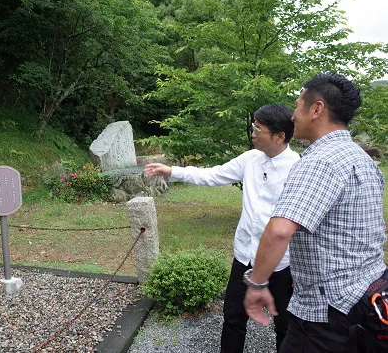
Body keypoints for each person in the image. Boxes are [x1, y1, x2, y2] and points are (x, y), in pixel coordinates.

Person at [243, 73, 387, 352]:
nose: (293, 115)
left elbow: (279, 231)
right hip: (368, 294)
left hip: (328, 311)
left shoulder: (318, 162)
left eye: (297, 105)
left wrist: (257, 284)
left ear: (316, 109)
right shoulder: (362, 157)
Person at [144, 104, 300, 353]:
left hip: (281, 263)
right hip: (245, 255)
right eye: (253, 127)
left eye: (258, 129)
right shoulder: (250, 159)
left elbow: (301, 228)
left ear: (279, 136)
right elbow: (213, 175)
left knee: (285, 325)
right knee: (233, 318)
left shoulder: (298, 168)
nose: (253, 133)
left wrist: (299, 271)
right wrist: (172, 171)